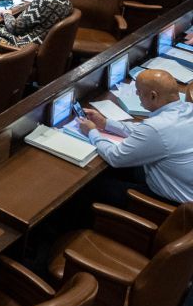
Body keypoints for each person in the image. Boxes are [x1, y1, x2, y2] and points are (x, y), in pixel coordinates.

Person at [79, 69, 193, 205]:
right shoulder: (187, 109)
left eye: (138, 91)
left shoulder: (156, 127)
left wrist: (92, 132)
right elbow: (144, 131)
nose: (136, 94)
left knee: (91, 186)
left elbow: (114, 157)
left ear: (153, 96)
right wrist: (105, 123)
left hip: (173, 206)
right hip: (179, 182)